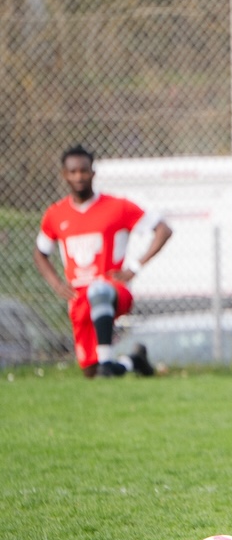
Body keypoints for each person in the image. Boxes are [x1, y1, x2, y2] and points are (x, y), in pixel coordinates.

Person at [34, 145, 172, 378]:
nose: (79, 176)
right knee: (91, 371)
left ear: (93, 173)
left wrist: (134, 268)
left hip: (113, 290)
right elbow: (40, 253)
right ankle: (133, 361)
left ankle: (107, 361)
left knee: (99, 290)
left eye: (84, 171)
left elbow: (163, 230)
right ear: (64, 175)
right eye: (73, 172)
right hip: (79, 298)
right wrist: (57, 284)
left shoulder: (118, 207)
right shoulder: (55, 214)